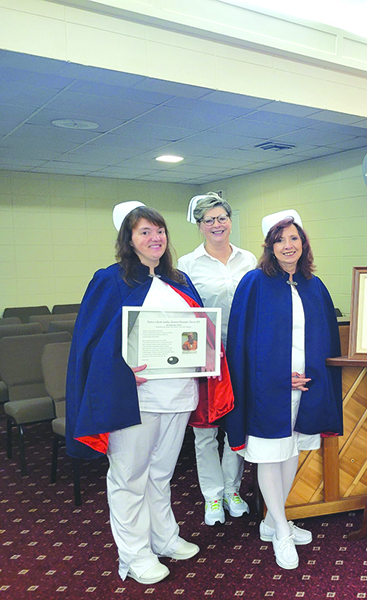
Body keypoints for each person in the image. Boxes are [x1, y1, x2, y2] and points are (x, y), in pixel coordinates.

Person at [66, 202, 233, 585]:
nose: (155, 238)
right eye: (144, 232)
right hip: (135, 399)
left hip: (179, 394)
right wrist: (120, 371)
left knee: (161, 474)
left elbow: (200, 334)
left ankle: (165, 537)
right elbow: (90, 345)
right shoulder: (110, 280)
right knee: (129, 477)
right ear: (129, 239)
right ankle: (135, 554)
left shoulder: (180, 279)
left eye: (159, 231)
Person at [225, 210, 343, 571]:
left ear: (303, 243)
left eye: (293, 238)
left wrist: (313, 376)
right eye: (280, 240)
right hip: (269, 389)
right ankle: (280, 529)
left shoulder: (313, 285)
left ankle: (271, 521)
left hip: (306, 386)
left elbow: (326, 338)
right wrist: (279, 376)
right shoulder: (254, 283)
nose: (288, 246)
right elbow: (244, 344)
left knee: (291, 451)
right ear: (269, 247)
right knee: (269, 453)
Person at [178, 193, 257, 526]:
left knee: (238, 426)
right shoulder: (186, 264)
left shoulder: (249, 259)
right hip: (205, 354)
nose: (216, 224)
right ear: (199, 226)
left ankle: (232, 490)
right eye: (208, 220)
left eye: (221, 217)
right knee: (206, 432)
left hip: (242, 353)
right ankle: (212, 497)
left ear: (229, 220)